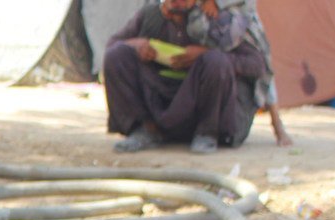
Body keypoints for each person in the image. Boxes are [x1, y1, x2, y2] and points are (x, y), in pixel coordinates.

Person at [103, 0, 267, 154]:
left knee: (216, 61)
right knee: (117, 55)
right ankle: (146, 130)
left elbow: (256, 65)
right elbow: (113, 44)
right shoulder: (151, 15)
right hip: (161, 97)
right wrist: (137, 44)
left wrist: (205, 53)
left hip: (204, 101)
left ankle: (207, 134)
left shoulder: (215, 19)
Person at [188, 0, 293, 147]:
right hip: (206, 20)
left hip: (241, 21)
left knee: (262, 64)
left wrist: (217, 3)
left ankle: (277, 124)